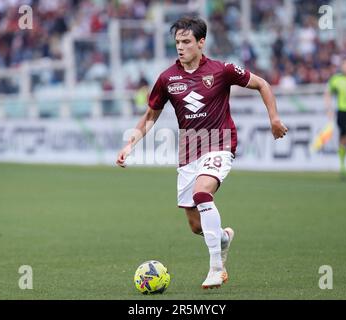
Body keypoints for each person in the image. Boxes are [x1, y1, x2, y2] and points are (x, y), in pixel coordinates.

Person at [116, 17, 287, 289]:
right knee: (196, 225)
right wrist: (130, 144)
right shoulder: (167, 79)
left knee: (202, 193)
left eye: (186, 42)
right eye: (177, 42)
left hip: (220, 142)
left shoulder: (222, 70)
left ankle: (216, 268)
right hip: (188, 152)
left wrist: (274, 118)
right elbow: (151, 115)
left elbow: (262, 84)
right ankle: (223, 237)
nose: (180, 47)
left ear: (201, 42)